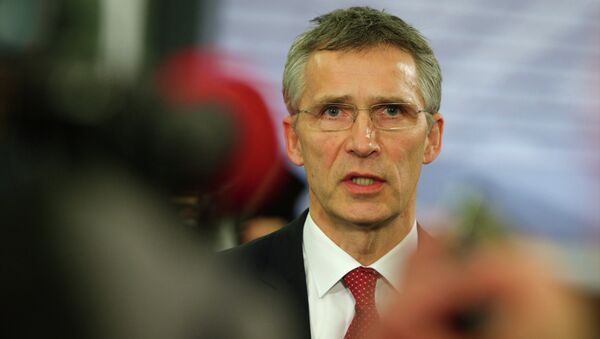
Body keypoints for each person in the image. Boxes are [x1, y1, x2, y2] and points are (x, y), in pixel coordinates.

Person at [224, 6, 443, 339]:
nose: (363, 142)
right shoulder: (214, 289)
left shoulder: (490, 311)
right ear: (294, 140)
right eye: (333, 112)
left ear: (432, 138)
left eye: (391, 111)